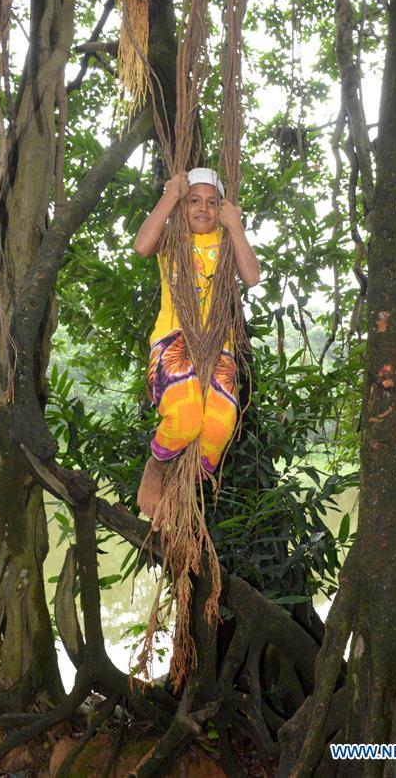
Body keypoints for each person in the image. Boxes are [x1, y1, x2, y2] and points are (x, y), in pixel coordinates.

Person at [133, 167, 260, 531]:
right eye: (194, 201)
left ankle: (180, 491)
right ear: (183, 206)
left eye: (211, 202)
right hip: (174, 340)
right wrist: (170, 195)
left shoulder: (225, 239)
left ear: (220, 209)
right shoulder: (172, 238)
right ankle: (155, 470)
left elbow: (251, 276)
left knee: (220, 428)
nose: (202, 209)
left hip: (219, 348)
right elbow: (142, 247)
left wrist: (235, 226)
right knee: (185, 419)